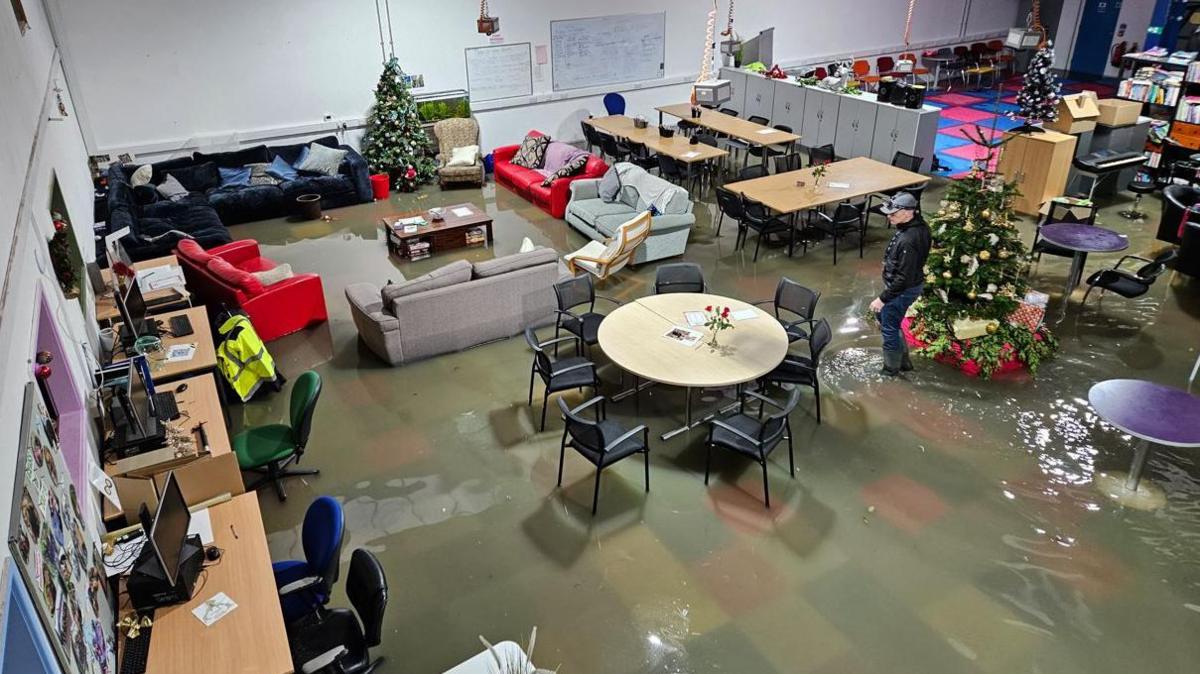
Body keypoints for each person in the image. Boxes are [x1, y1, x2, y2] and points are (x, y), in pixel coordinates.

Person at [869, 192, 931, 376]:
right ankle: (904, 363)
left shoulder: (908, 240)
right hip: (908, 285)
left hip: (902, 290)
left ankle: (891, 370)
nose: (889, 216)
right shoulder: (919, 227)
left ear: (907, 212)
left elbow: (903, 278)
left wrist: (882, 299)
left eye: (893, 213)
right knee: (891, 322)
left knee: (888, 327)